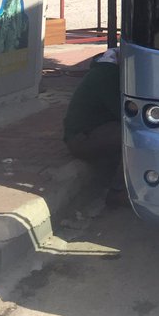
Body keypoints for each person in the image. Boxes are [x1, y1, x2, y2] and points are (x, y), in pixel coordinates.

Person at [63, 48, 127, 206]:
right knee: (133, 137)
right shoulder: (107, 75)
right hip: (81, 139)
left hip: (91, 132)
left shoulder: (108, 70)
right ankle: (118, 192)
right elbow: (124, 113)